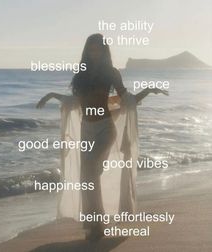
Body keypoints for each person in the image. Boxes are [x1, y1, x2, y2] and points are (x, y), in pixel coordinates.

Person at [36, 33, 168, 241]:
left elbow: (127, 99)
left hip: (105, 129)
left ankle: (98, 224)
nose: (94, 51)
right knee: (86, 179)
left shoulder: (111, 73)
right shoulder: (82, 73)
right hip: (86, 130)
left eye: (98, 48)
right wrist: (52, 95)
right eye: (91, 48)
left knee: (90, 173)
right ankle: (93, 223)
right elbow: (75, 101)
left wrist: (148, 91)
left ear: (104, 50)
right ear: (87, 50)